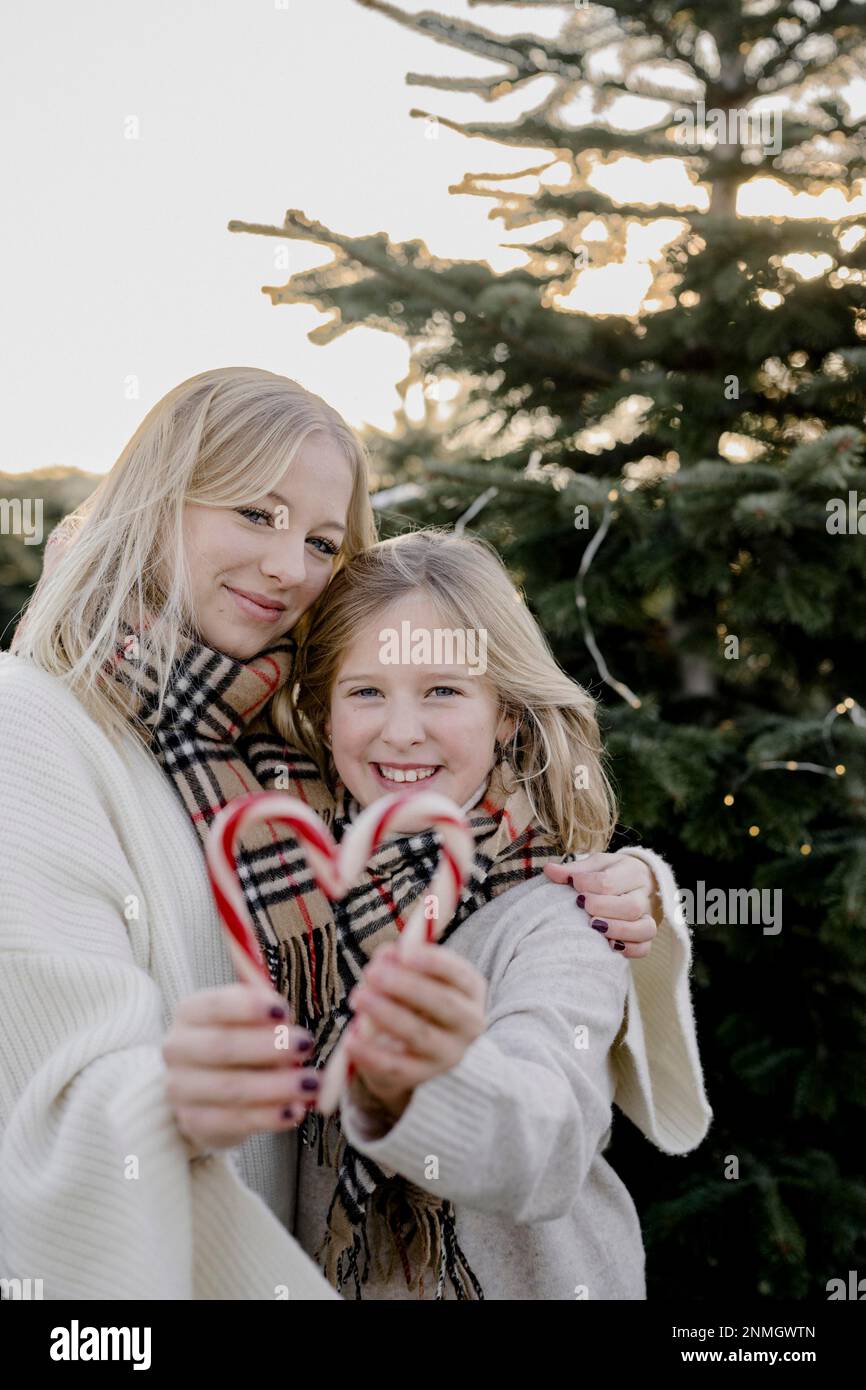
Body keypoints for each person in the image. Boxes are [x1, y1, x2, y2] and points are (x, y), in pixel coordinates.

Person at [1, 367, 670, 1299]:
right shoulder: (39, 724)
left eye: (321, 540)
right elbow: (48, 1083)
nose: (290, 567)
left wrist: (634, 888)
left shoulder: (266, 746)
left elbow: (544, 1106)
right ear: (157, 501)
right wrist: (169, 1095)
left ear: (508, 712)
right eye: (255, 514)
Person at [278, 529, 713, 1299]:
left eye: (443, 690)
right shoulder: (290, 902)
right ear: (323, 711)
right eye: (366, 690)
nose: (402, 730)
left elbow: (548, 1139)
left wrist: (416, 1080)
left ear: (506, 713)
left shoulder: (566, 914)